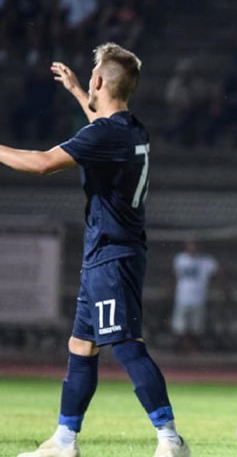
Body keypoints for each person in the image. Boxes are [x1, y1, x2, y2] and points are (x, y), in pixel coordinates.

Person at [4, 43, 190, 457]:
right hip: (108, 253)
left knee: (125, 344)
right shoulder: (131, 129)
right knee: (81, 346)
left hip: (112, 255)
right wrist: (76, 91)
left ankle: (170, 438)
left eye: (91, 76)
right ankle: (64, 440)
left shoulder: (106, 135)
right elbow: (100, 128)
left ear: (100, 81)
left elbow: (43, 163)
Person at [171, 240, 219, 348]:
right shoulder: (180, 259)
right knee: (180, 326)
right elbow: (174, 276)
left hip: (198, 297)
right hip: (182, 297)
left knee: (196, 327)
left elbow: (217, 274)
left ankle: (193, 348)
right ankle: (181, 348)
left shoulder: (205, 260)